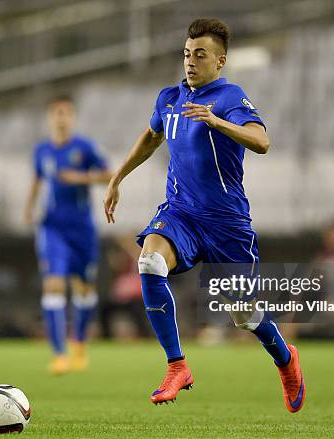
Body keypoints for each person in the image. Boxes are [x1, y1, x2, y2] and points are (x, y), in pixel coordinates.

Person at [103, 18, 305, 412]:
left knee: (243, 315)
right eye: (186, 54)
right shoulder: (170, 98)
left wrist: (217, 121)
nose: (190, 62)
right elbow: (151, 135)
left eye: (200, 55)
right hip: (181, 212)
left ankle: (285, 360)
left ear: (220, 61)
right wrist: (117, 177)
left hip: (227, 224)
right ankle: (177, 365)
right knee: (149, 261)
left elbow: (262, 141)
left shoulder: (230, 96)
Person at [24, 95, 111, 374]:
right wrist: (29, 207)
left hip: (82, 228)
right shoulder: (42, 151)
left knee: (84, 290)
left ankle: (80, 342)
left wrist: (80, 178)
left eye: (65, 113)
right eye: (56, 113)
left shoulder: (84, 148)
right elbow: (37, 179)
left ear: (72, 118)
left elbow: (110, 174)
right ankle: (59, 354)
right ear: (50, 118)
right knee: (53, 285)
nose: (61, 118)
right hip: (52, 227)